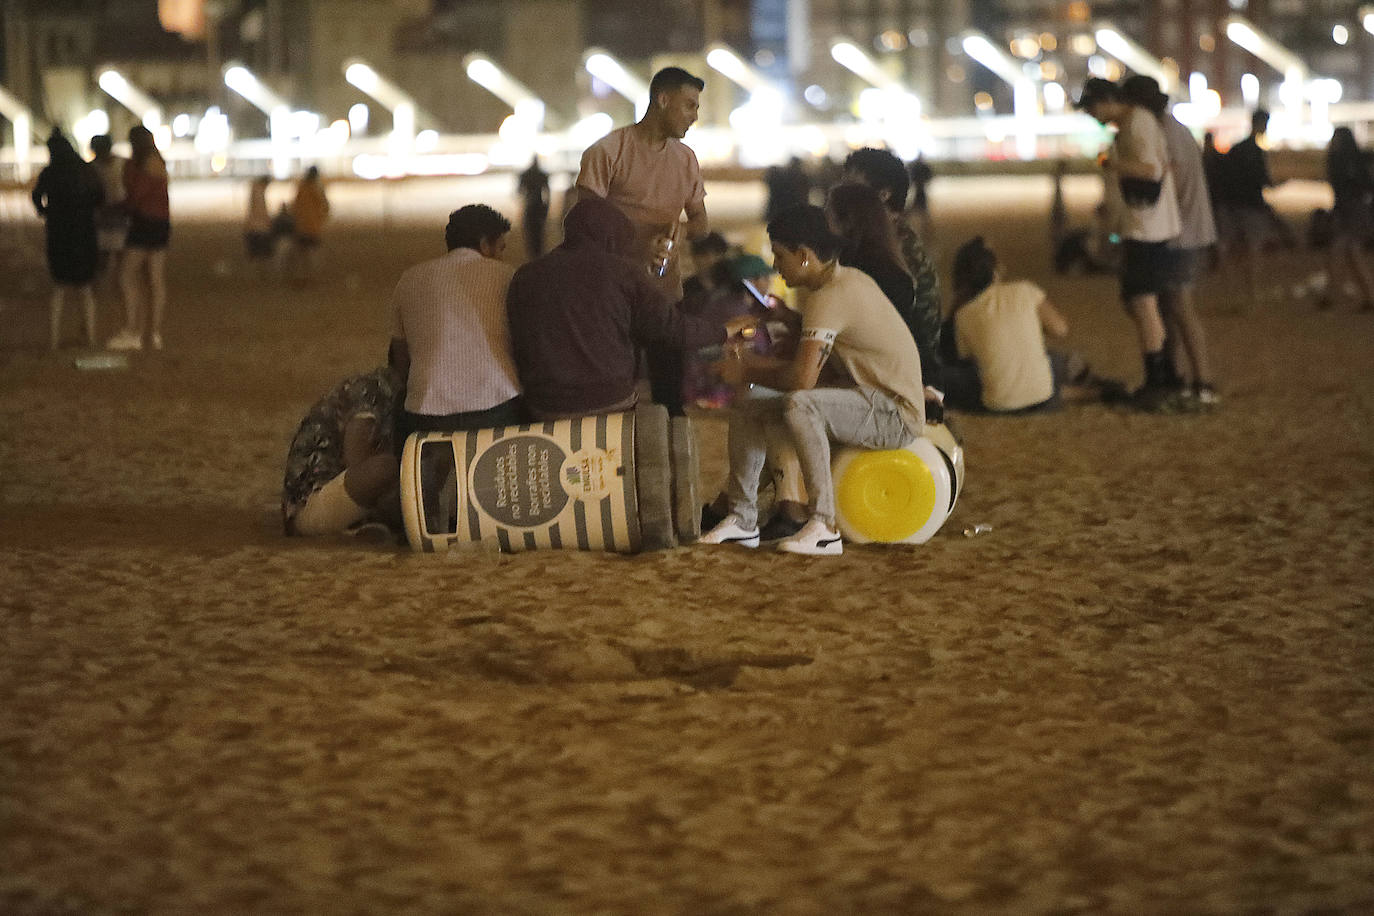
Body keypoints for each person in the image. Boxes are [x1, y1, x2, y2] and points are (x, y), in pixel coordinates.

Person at [699, 204, 925, 557]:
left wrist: (745, 370)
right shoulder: (842, 281)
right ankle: (742, 519)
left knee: (799, 405)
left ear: (804, 256)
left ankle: (824, 525)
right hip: (870, 401)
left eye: (779, 255)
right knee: (749, 407)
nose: (775, 266)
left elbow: (801, 379)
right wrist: (792, 321)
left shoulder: (829, 297)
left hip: (894, 415)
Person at [505, 197, 728, 420]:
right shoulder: (623, 273)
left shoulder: (526, 276)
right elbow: (673, 329)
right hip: (609, 400)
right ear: (615, 237)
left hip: (545, 405)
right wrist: (723, 332)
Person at [1076, 78, 1181, 407]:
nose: (1092, 115)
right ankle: (1164, 373)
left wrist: (1111, 164)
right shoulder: (1136, 123)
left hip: (1146, 228)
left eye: (1092, 107)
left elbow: (1150, 171)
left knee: (1142, 302)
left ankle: (1158, 378)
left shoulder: (1137, 124)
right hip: (1148, 226)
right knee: (1142, 301)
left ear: (1108, 99)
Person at [1121, 74, 1221, 406]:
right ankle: (1178, 377)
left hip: (1182, 233)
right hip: (1188, 230)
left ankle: (1203, 381)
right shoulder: (1175, 128)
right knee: (1168, 307)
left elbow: (1169, 186)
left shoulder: (1161, 133)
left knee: (1180, 306)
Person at [390, 204, 523, 441]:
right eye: (500, 247)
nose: (502, 256)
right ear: (484, 244)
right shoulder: (506, 276)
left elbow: (399, 356)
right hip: (495, 408)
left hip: (426, 414)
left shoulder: (409, 279)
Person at [575, 66, 708, 295]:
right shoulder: (608, 152)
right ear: (663, 100)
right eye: (689, 106)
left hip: (665, 295)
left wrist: (680, 232)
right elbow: (582, 227)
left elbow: (701, 222)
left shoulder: (686, 159)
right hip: (612, 294)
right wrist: (638, 244)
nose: (695, 117)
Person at [942, 237, 1094, 414]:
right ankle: (1078, 384)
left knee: (949, 377)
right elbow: (1060, 329)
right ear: (995, 271)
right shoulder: (1024, 290)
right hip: (1043, 397)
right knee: (1052, 359)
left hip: (997, 404)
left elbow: (966, 358)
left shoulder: (964, 314)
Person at [840, 147, 943, 395]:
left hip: (904, 374)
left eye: (852, 187)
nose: (841, 193)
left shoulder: (890, 251)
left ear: (883, 195)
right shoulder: (882, 240)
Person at [281, 366, 404, 537]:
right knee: (387, 468)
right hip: (311, 503)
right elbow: (356, 460)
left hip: (349, 500)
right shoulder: (371, 389)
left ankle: (361, 529)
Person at [32, 129, 103, 350]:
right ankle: (90, 337)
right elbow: (100, 195)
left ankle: (54, 340)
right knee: (85, 289)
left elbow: (36, 196)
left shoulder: (50, 172)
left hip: (58, 233)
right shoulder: (85, 169)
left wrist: (44, 211)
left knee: (59, 289)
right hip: (84, 232)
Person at [106, 125, 169, 352]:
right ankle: (154, 333)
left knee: (126, 276)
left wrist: (113, 209)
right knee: (156, 280)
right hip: (162, 224)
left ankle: (133, 330)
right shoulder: (159, 163)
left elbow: (136, 198)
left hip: (144, 224)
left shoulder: (138, 165)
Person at [1215, 109, 1276, 306]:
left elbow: (1224, 177)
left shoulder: (1237, 149)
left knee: (1231, 249)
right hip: (1252, 206)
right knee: (1253, 250)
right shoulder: (1256, 151)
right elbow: (1263, 179)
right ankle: (1252, 293)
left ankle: (1231, 293)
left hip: (1233, 205)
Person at [1319, 126, 1374, 312]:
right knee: (1351, 253)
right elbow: (1367, 185)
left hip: (1349, 210)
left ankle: (1332, 294)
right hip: (1355, 209)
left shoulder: (1338, 160)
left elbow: (1344, 188)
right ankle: (1366, 295)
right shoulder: (1356, 159)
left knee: (1340, 251)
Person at [88, 134, 127, 280]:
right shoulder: (123, 164)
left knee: (106, 255)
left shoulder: (91, 168)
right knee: (116, 255)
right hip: (115, 214)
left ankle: (107, 286)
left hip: (108, 214)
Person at [288, 165, 329, 284]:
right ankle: (310, 277)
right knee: (311, 252)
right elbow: (325, 206)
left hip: (302, 225)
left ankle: (302, 276)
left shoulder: (302, 187)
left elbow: (294, 206)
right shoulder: (316, 188)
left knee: (302, 253)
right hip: (312, 226)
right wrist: (320, 218)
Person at [517, 156, 551, 259]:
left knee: (530, 234)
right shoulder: (542, 175)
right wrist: (547, 207)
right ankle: (539, 255)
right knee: (539, 234)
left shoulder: (525, 174)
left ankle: (532, 256)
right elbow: (548, 193)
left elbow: (519, 191)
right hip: (539, 206)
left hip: (529, 206)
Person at [243, 176, 275, 271]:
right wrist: (268, 222)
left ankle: (255, 271)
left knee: (255, 253)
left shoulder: (255, 190)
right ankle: (259, 271)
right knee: (261, 253)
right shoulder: (259, 192)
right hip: (259, 228)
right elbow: (260, 210)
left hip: (253, 227)